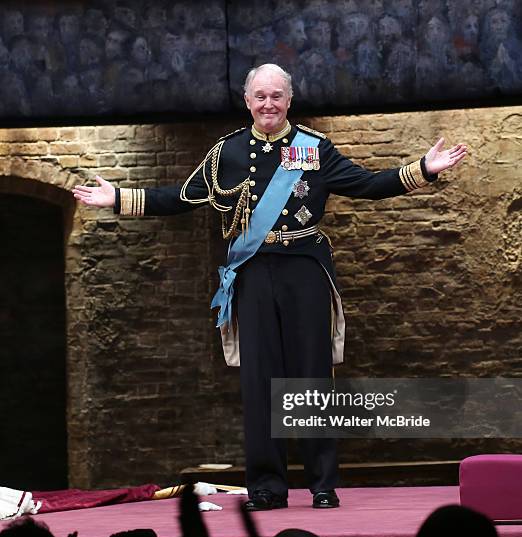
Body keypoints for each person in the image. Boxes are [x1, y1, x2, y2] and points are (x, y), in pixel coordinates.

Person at [73, 63, 467, 511]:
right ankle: (266, 486)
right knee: (260, 383)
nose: (268, 104)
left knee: (312, 379)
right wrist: (120, 199)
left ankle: (322, 483)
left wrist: (423, 169)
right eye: (260, 96)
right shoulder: (228, 152)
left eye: (276, 96)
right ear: (247, 100)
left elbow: (366, 184)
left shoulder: (314, 149)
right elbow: (181, 197)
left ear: (289, 100)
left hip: (304, 270)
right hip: (254, 273)